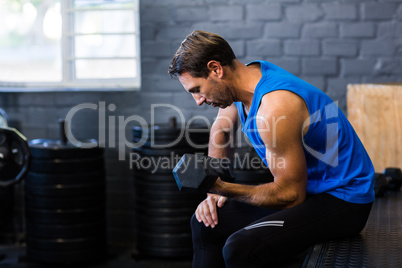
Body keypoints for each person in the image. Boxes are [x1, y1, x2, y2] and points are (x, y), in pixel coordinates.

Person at [168, 30, 374, 268]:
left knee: (241, 248)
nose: (198, 101)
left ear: (216, 69)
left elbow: (290, 196)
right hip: (310, 191)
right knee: (205, 223)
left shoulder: (275, 107)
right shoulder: (240, 83)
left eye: (197, 89)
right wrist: (215, 193)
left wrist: (223, 187)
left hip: (344, 200)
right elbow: (220, 130)